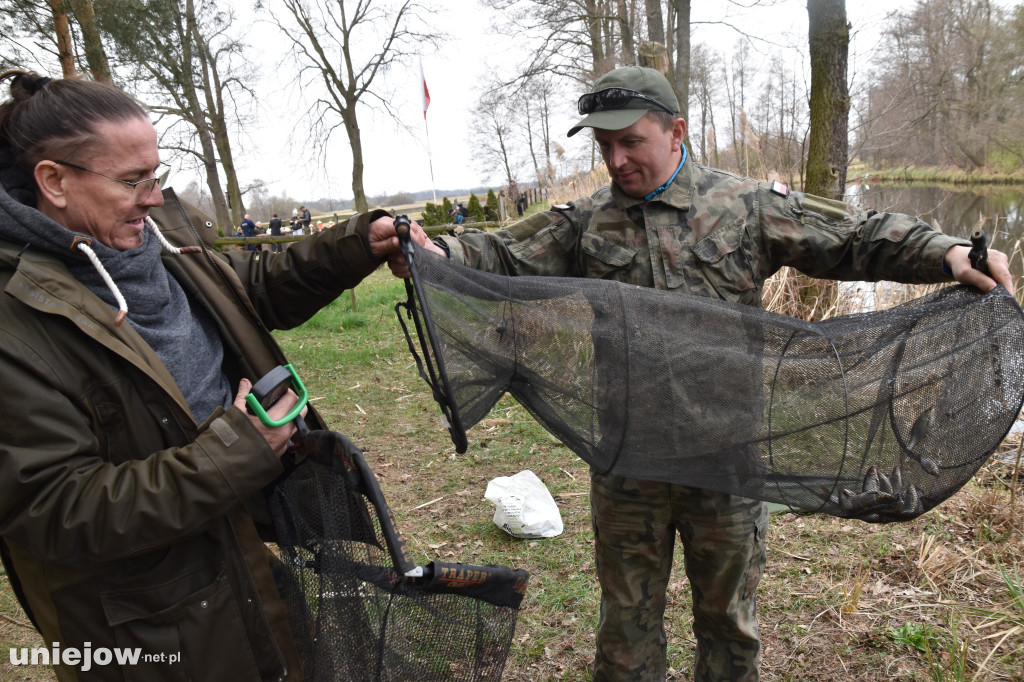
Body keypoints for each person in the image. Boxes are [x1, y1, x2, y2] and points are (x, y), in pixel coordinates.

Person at [375, 66, 1012, 681]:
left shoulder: (746, 206)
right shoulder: (585, 221)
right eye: (605, 146)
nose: (617, 160)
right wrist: (433, 254)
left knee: (728, 624)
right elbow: (498, 253)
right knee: (626, 628)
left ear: (676, 132)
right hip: (631, 464)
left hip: (727, 459)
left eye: (631, 142)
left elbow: (855, 236)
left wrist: (948, 253)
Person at [0, 70, 400, 681]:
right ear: (52, 181)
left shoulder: (154, 234)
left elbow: (240, 291)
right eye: (132, 181)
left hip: (239, 545)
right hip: (147, 620)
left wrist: (353, 245)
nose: (154, 196)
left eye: (155, 176)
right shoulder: (14, 314)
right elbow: (53, 510)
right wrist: (239, 452)